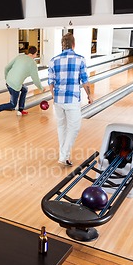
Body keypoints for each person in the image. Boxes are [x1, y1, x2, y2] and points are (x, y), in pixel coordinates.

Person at [48, 33, 93, 167]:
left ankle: (65, 156)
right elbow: (84, 80)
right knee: (74, 127)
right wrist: (89, 95)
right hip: (72, 99)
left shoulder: (53, 60)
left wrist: (54, 96)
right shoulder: (80, 59)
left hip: (58, 99)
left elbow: (50, 81)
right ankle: (63, 155)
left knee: (62, 127)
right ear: (73, 44)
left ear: (62, 45)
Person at [0, 46, 45, 119]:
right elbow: (36, 79)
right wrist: (41, 88)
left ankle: (20, 110)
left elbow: (6, 68)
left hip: (8, 81)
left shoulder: (20, 57)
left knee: (24, 89)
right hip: (14, 85)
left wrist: (7, 78)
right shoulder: (33, 63)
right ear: (35, 53)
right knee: (12, 105)